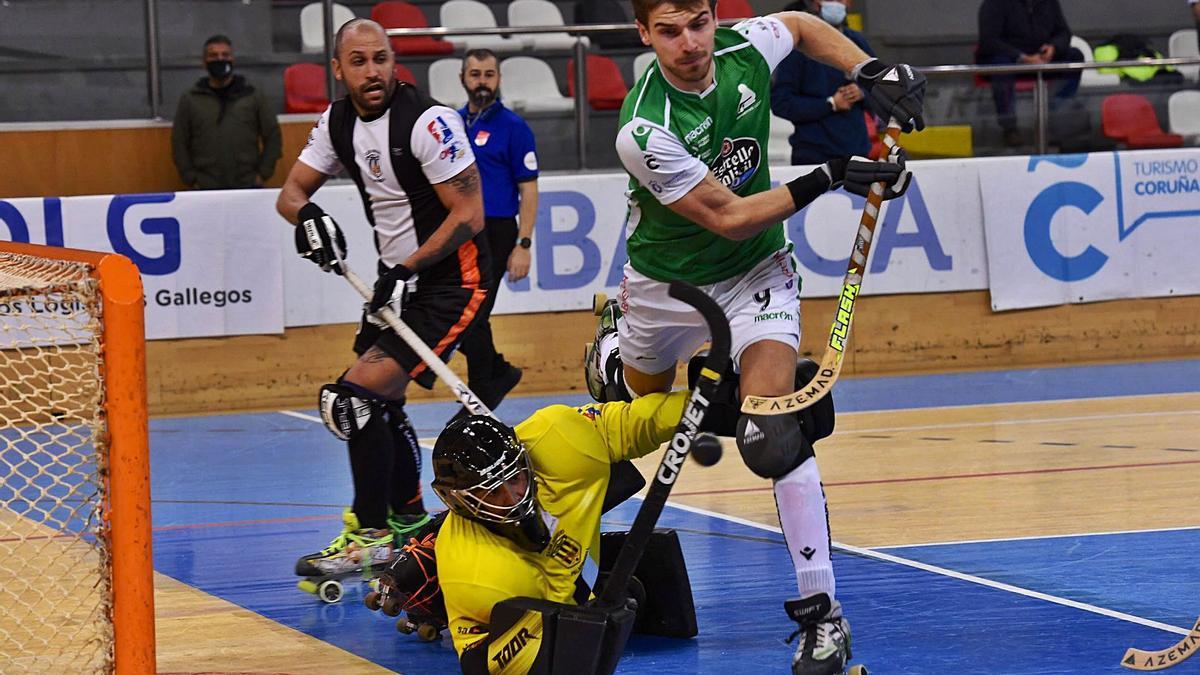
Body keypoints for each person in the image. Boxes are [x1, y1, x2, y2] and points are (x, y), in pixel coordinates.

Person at [583, 1, 924, 673]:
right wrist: (828, 175)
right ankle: (616, 347)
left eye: (699, 23)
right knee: (637, 415)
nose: (690, 43)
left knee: (774, 433)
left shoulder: (742, 48)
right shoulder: (643, 125)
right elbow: (729, 214)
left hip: (755, 274)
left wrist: (869, 66)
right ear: (644, 35)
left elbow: (797, 24)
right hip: (665, 288)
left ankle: (823, 614)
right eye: (670, 31)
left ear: (714, 17)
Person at [274, 18, 489, 580]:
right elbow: (290, 193)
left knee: (353, 398)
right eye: (360, 62)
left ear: (396, 62)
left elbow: (469, 216)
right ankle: (411, 527)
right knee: (377, 404)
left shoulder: (429, 122)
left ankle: (369, 534)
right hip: (396, 283)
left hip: (451, 282)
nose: (373, 72)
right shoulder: (336, 122)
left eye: (382, 59)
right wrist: (309, 216)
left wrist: (407, 268)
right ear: (338, 69)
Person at [429, 393, 692, 671]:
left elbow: (634, 422)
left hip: (569, 591)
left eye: (515, 477)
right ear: (460, 500)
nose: (515, 495)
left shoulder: (557, 436)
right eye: (494, 492)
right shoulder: (479, 576)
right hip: (497, 633)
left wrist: (704, 403)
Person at [450, 48, 540, 421]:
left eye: (489, 74)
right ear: (463, 79)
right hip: (460, 229)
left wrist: (524, 244)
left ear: (498, 79)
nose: (482, 82)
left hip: (498, 230)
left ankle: (483, 390)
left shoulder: (514, 128)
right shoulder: (452, 124)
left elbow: (529, 189)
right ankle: (497, 372)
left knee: (473, 313)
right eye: (475, 74)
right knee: (461, 314)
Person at [770, 0, 876, 164]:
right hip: (813, 156)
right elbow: (781, 103)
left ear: (848, 3)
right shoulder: (798, 47)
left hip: (857, 153)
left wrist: (861, 92)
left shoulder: (857, 42)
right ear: (815, 3)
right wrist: (830, 104)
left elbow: (879, 89)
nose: (835, 3)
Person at [171, 35, 282, 190]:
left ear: (233, 60)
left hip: (248, 184)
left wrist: (263, 173)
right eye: (213, 56)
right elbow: (179, 141)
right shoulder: (191, 98)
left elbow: (272, 135)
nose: (220, 59)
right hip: (204, 187)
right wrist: (190, 178)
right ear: (204, 62)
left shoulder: (253, 94)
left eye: (225, 55)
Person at [976, 0, 1084, 147]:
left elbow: (1063, 32)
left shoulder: (1049, 3)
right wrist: (1022, 57)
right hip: (1009, 58)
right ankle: (1010, 128)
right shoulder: (994, 3)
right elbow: (989, 41)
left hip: (1041, 58)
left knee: (1075, 56)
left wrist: (1054, 47)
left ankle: (1056, 115)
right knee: (1001, 64)